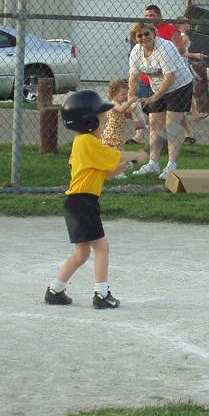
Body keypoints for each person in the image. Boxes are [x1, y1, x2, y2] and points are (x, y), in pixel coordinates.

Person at [45, 89, 148, 308]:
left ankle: (55, 290)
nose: (104, 125)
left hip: (77, 203)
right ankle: (101, 295)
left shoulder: (85, 144)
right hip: (83, 203)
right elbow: (116, 156)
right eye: (102, 121)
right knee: (102, 247)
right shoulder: (87, 143)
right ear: (88, 122)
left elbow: (109, 171)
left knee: (82, 253)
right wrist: (136, 155)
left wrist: (130, 164)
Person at [128, 22, 194, 180]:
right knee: (155, 124)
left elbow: (170, 77)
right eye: (139, 35)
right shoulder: (136, 51)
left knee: (172, 125)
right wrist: (131, 97)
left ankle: (171, 165)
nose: (144, 38)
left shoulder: (166, 47)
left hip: (180, 85)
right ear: (135, 38)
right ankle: (153, 163)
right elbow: (133, 77)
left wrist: (153, 98)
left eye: (147, 34)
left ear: (153, 33)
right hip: (157, 87)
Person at [130, 4, 185, 144]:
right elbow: (133, 75)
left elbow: (181, 49)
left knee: (170, 116)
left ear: (159, 15)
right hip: (147, 79)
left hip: (172, 80)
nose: (149, 18)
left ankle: (182, 137)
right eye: (146, 15)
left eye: (152, 15)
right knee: (142, 110)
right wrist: (131, 96)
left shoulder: (170, 30)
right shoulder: (139, 40)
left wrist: (166, 61)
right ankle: (139, 135)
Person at [174, 16, 209, 143]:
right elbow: (181, 53)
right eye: (187, 22)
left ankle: (194, 113)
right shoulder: (183, 37)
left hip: (184, 65)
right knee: (188, 90)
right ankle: (194, 113)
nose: (189, 23)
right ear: (182, 24)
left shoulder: (179, 36)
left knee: (189, 90)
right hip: (183, 66)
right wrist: (196, 55)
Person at [100, 78, 146, 177]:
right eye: (123, 94)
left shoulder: (120, 103)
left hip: (118, 134)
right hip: (111, 134)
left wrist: (135, 107)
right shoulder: (113, 103)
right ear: (114, 94)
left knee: (117, 154)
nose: (125, 97)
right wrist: (130, 102)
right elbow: (121, 110)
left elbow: (126, 111)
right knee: (115, 154)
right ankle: (115, 171)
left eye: (126, 94)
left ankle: (115, 170)